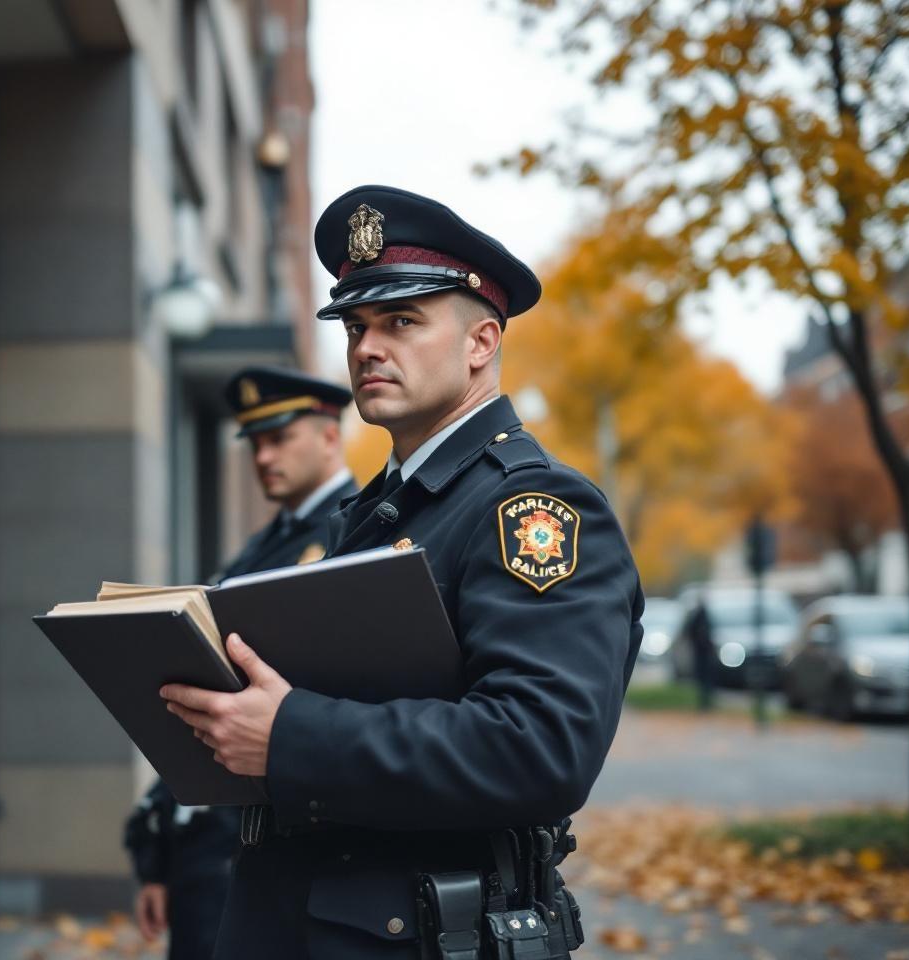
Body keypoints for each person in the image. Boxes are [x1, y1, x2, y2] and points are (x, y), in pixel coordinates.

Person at [160, 185, 645, 958]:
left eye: (401, 321)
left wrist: (291, 735)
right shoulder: (387, 508)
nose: (365, 348)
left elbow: (541, 746)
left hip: (416, 934)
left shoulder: (531, 506)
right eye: (355, 326)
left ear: (482, 342)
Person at [125, 367, 357, 959]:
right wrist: (157, 852)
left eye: (280, 438)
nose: (263, 456)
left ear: (330, 436)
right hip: (211, 837)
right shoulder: (262, 546)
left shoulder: (354, 535)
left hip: (269, 832)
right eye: (255, 442)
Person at [683, 592, 716, 710]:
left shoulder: (699, 614)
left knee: (704, 678)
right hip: (702, 650)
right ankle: (705, 702)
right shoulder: (701, 614)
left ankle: (705, 701)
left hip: (702, 650)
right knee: (704, 678)